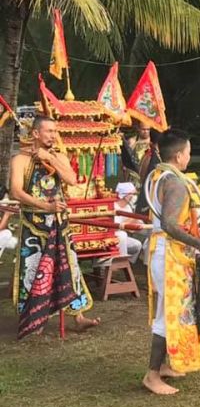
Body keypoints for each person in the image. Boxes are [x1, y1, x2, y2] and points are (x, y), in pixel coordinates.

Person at [142, 129, 200, 395]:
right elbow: (170, 224)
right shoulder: (174, 182)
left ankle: (162, 365)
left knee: (168, 310)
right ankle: (151, 375)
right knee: (168, 313)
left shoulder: (157, 174)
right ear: (178, 155)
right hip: (169, 254)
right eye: (188, 152)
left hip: (162, 251)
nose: (189, 157)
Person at [10, 115, 99, 338]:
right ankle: (34, 319)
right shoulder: (20, 160)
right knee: (33, 272)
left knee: (70, 268)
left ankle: (77, 317)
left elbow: (71, 180)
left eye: (55, 131)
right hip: (34, 223)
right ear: (36, 134)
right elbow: (16, 192)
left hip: (59, 223)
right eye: (49, 131)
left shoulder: (58, 156)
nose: (53, 135)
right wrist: (44, 205)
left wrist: (48, 157)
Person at [114, 182, 144, 263]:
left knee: (137, 245)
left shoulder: (128, 207)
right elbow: (117, 226)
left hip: (124, 235)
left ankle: (128, 264)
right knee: (122, 235)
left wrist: (139, 220)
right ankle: (120, 262)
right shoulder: (114, 206)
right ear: (124, 195)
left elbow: (131, 229)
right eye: (132, 194)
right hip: (114, 236)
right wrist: (134, 217)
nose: (134, 196)